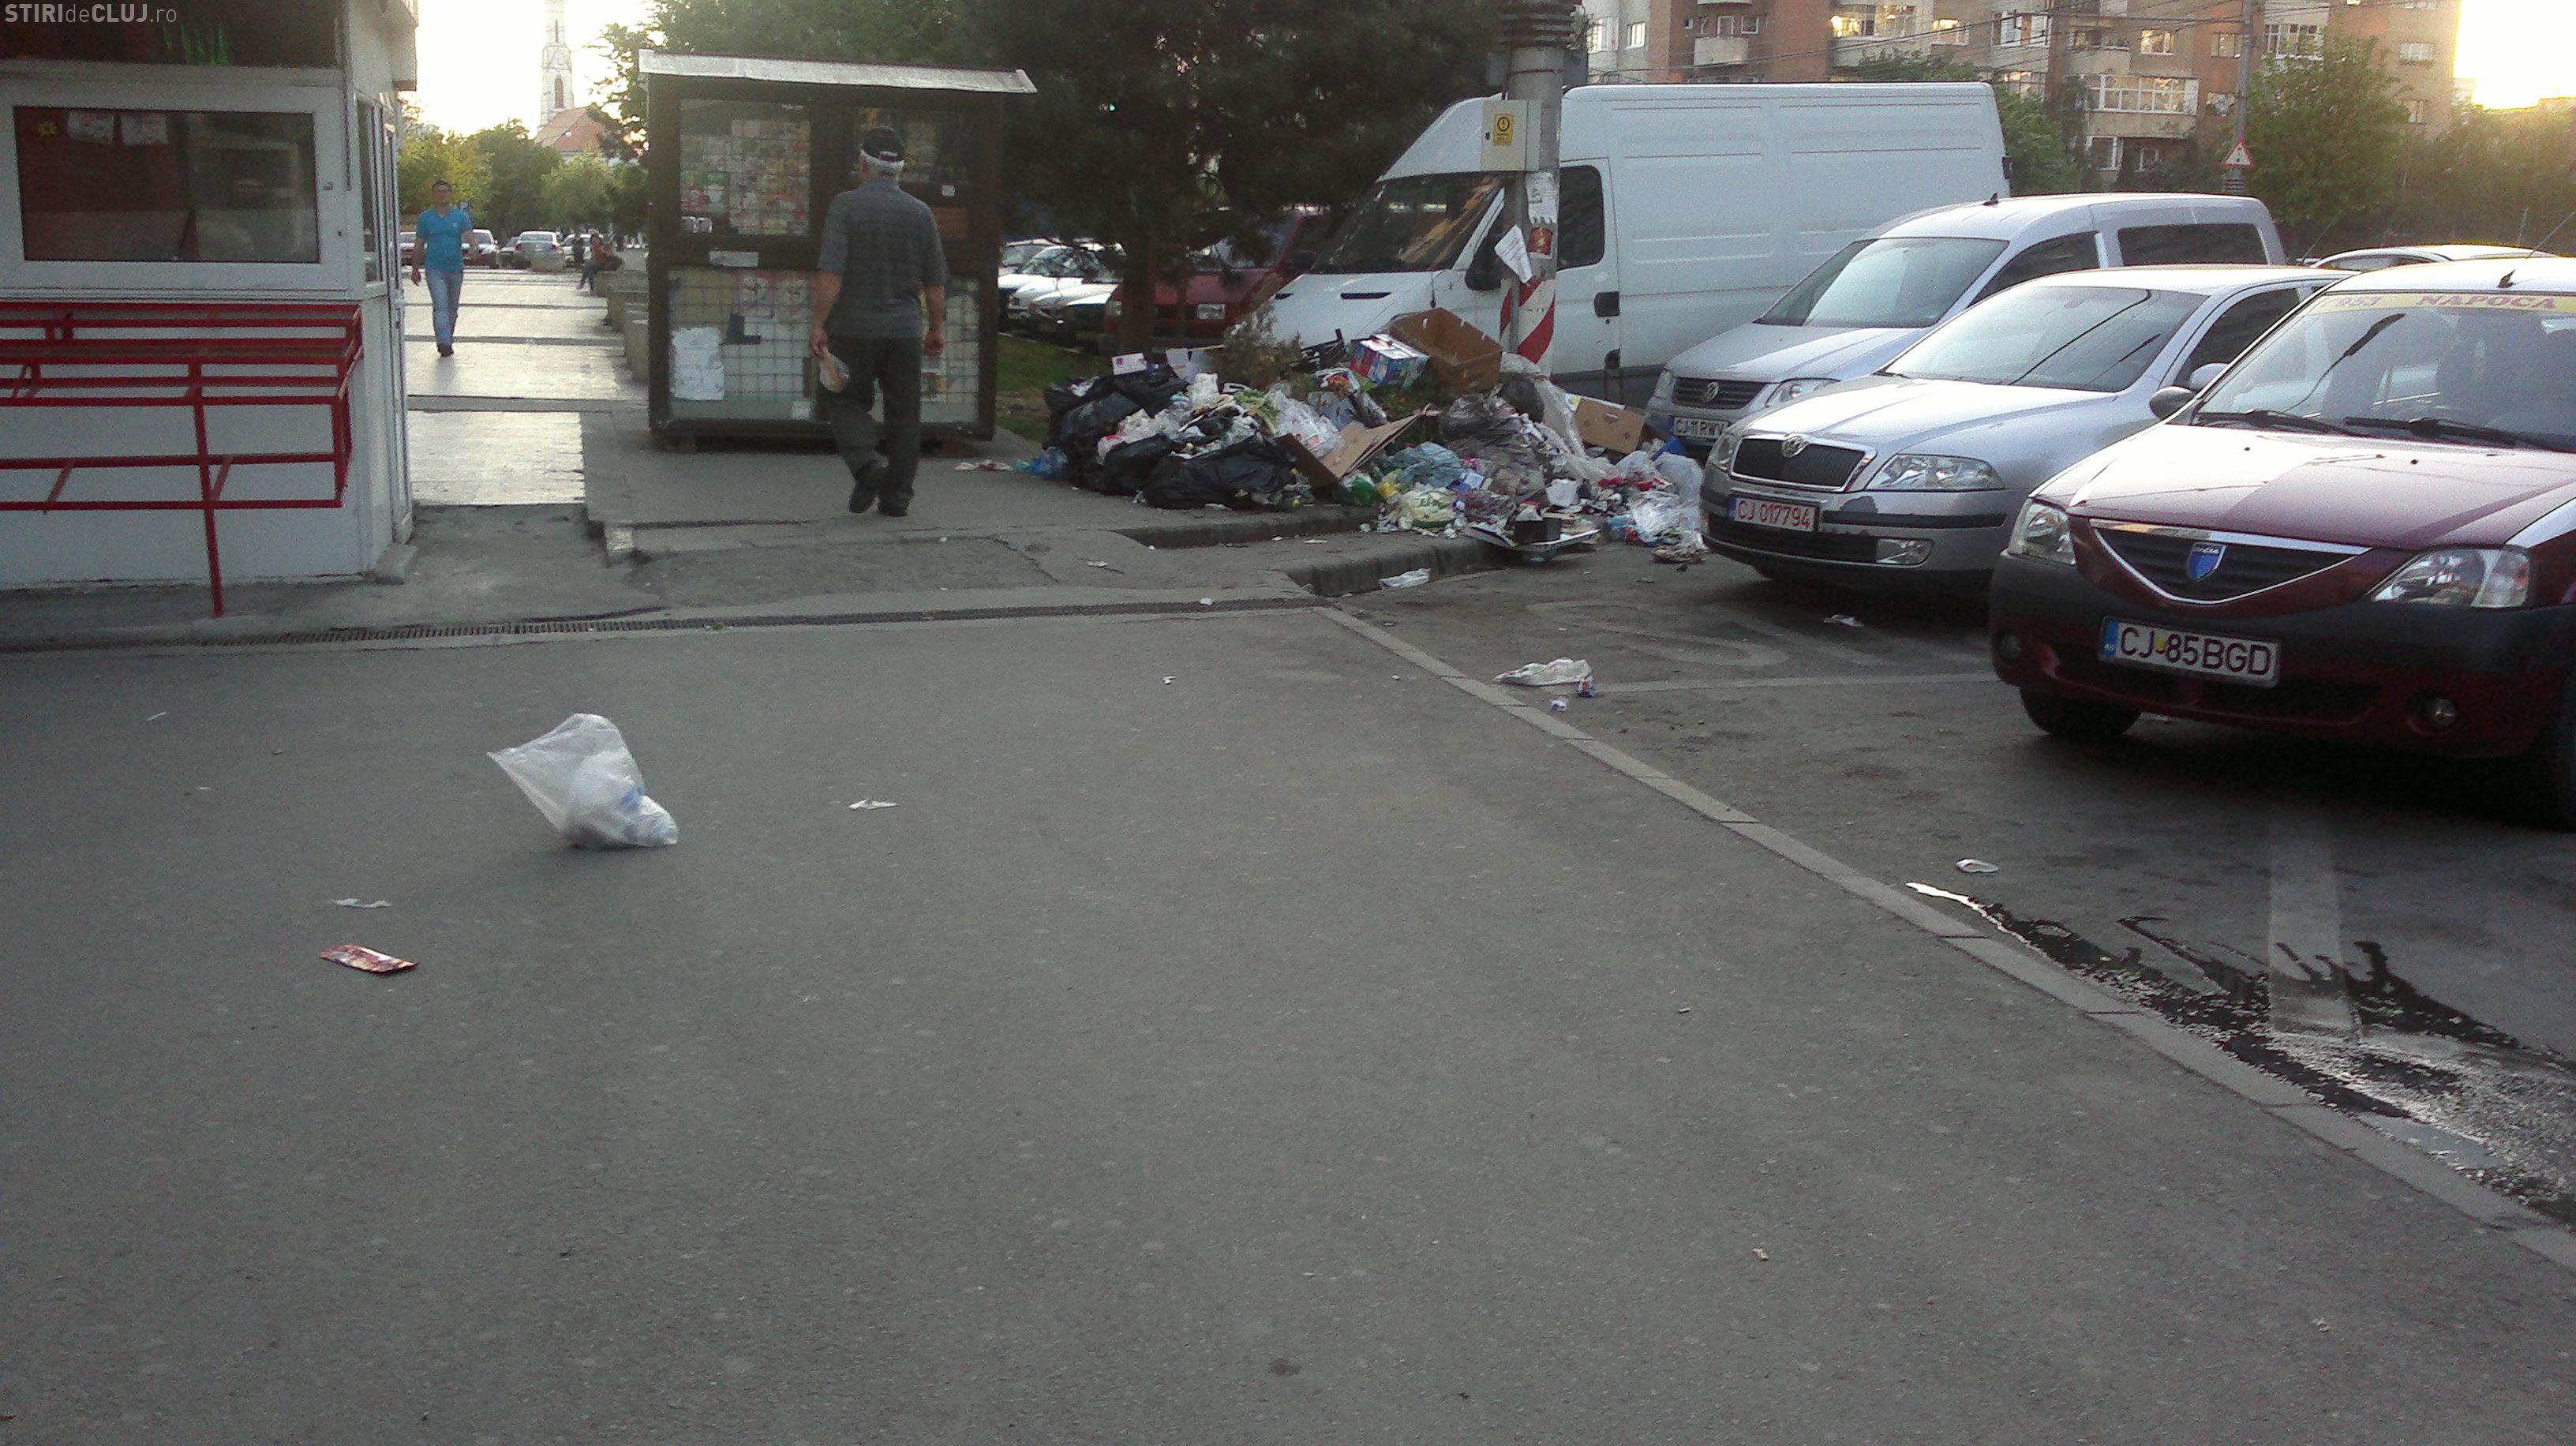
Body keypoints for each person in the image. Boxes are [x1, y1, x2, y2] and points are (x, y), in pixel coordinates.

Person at [811, 126, 946, 517]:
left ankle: (869, 467)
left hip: (853, 329)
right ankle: (897, 496)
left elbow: (832, 274)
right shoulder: (921, 214)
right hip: (904, 331)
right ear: (900, 171)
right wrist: (935, 328)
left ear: (863, 166)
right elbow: (935, 284)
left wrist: (819, 323)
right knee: (905, 414)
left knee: (844, 400)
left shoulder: (845, 207)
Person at [409, 179, 473, 358]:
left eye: (445, 191)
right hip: (434, 268)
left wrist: (474, 248)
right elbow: (419, 244)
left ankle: (448, 337)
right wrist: (415, 268)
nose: (442, 194)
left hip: (455, 268)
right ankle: (443, 342)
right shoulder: (426, 218)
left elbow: (469, 236)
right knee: (440, 305)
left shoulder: (460, 217)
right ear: (433, 194)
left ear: (450, 194)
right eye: (438, 191)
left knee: (452, 307)